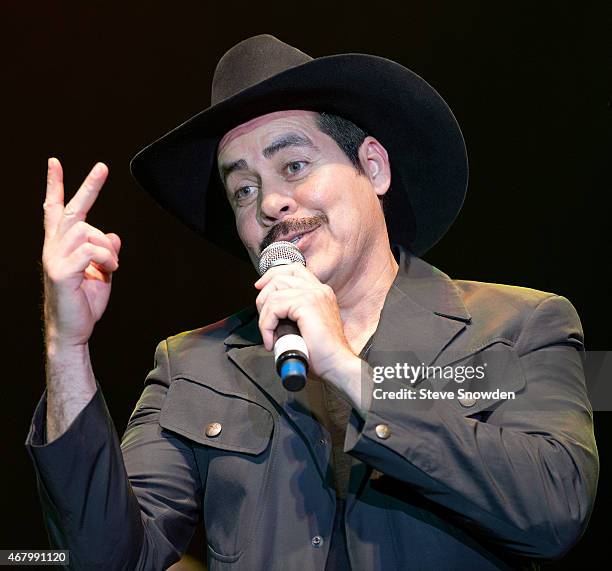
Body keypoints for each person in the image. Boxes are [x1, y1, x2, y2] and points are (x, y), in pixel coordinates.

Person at [26, 35, 598, 570]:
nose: (272, 202)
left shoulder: (523, 324)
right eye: (243, 190)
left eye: (294, 166)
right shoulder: (191, 365)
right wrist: (66, 346)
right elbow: (105, 558)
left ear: (371, 167)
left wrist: (352, 372)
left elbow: (556, 507)